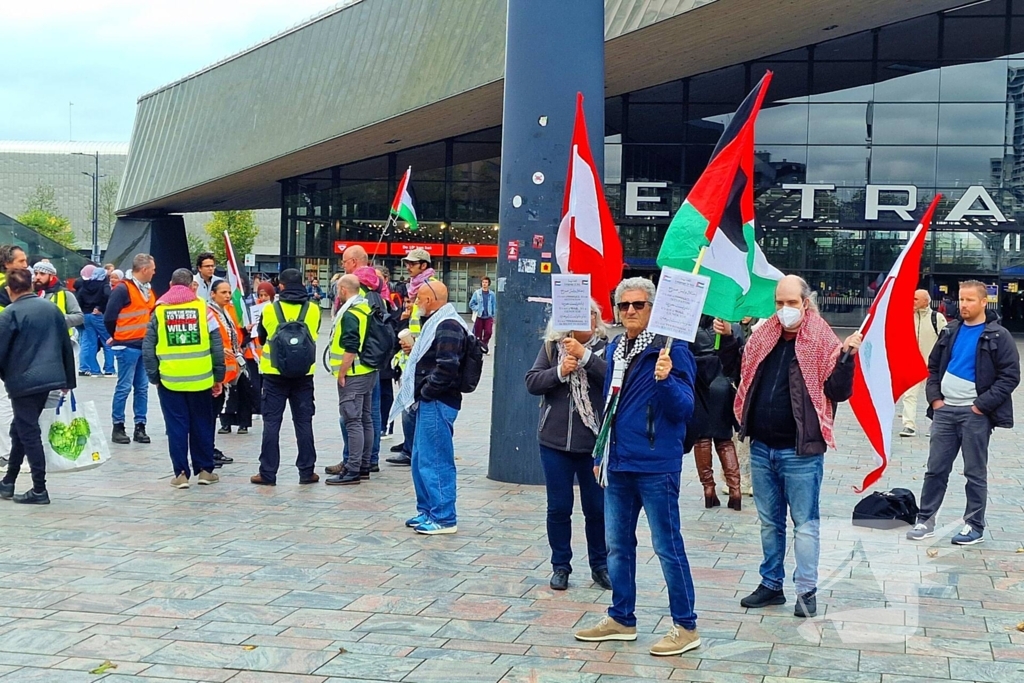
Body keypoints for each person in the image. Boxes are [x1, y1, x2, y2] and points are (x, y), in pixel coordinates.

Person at [574, 277, 702, 658]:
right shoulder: (617, 348)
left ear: (653, 308)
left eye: (639, 305)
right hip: (618, 461)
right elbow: (611, 405)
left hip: (655, 464)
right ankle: (621, 617)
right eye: (624, 305)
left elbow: (684, 409)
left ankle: (686, 625)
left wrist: (665, 381)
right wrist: (601, 453)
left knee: (667, 547)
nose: (630, 311)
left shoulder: (672, 350)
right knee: (617, 546)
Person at [734, 275, 861, 619]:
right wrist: (728, 338)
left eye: (791, 303)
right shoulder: (764, 337)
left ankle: (806, 591)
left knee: (804, 524)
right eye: (779, 303)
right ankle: (771, 585)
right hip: (762, 447)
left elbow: (837, 392)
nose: (785, 310)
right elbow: (743, 373)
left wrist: (847, 358)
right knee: (768, 522)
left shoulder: (822, 341)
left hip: (800, 451)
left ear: (806, 303)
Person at [907, 280, 1020, 546]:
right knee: (935, 469)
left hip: (975, 414)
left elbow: (1009, 376)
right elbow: (932, 367)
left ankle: (973, 525)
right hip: (945, 412)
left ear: (984, 302)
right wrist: (935, 400)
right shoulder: (950, 331)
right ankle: (926, 520)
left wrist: (981, 405)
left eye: (970, 300)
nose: (964, 304)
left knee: (974, 472)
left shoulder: (998, 335)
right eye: (961, 299)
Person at [525, 300, 611, 592]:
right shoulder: (552, 347)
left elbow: (615, 380)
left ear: (596, 318)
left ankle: (600, 565)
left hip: (594, 443)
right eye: (574, 312)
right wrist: (560, 371)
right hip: (555, 441)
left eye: (588, 313)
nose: (582, 318)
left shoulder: (607, 347)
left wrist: (586, 357)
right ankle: (560, 565)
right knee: (559, 508)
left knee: (596, 509)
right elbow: (533, 382)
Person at [388, 281, 467, 535]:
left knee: (435, 459)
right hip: (428, 401)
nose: (414, 304)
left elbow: (447, 366)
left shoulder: (449, 325)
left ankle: (444, 517)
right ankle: (427, 510)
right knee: (421, 458)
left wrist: (427, 392)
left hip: (438, 401)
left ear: (431, 300)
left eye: (418, 299)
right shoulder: (436, 323)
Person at [142, 269, 225, 488]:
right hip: (201, 379)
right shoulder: (204, 310)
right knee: (202, 425)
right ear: (191, 286)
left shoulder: (159, 312)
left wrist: (154, 376)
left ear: (170, 284)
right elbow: (217, 345)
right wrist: (219, 376)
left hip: (170, 380)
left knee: (176, 427)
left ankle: (180, 475)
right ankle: (206, 471)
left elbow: (148, 347)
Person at [0, 268, 77, 504]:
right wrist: (68, 380)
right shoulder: (52, 309)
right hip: (49, 379)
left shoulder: (10, 314)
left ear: (9, 290)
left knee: (29, 432)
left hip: (23, 381)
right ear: (32, 286)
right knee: (20, 429)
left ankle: (39, 489)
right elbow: (66, 344)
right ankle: (9, 481)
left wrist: (6, 377)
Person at [250, 268, 321, 486]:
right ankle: (307, 471)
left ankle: (268, 473)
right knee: (303, 423)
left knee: (272, 423)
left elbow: (261, 339)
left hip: (274, 375)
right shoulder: (314, 309)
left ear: (281, 286)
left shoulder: (269, 310)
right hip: (303, 376)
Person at [326, 275, 379, 485]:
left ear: (343, 290)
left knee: (352, 421)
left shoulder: (349, 314)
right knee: (366, 419)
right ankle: (364, 465)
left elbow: (351, 346)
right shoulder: (365, 307)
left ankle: (353, 469)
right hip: (368, 371)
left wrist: (341, 372)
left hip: (354, 373)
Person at [687, 315, 744, 511]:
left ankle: (708, 488)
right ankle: (735, 489)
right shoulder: (731, 326)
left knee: (701, 439)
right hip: (723, 384)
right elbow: (739, 359)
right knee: (725, 440)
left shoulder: (690, 327)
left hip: (700, 385)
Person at [105, 254, 157, 446]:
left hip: (143, 345)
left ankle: (140, 426)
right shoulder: (123, 289)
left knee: (142, 388)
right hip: (127, 345)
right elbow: (109, 317)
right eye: (152, 268)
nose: (154, 272)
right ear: (144, 270)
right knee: (124, 387)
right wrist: (118, 336)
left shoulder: (148, 291)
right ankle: (118, 426)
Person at [900, 289, 947, 438]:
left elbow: (946, 340)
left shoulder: (937, 318)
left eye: (915, 299)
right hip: (912, 364)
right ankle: (908, 425)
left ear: (926, 301)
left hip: (932, 366)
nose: (912, 302)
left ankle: (935, 424)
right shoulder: (905, 317)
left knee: (935, 395)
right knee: (909, 395)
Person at [206, 281, 243, 467]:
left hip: (227, 370)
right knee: (210, 413)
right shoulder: (209, 313)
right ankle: (207, 450)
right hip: (216, 370)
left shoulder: (226, 311)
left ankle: (209, 448)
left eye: (229, 292)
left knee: (215, 411)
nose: (228, 295)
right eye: (223, 292)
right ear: (213, 294)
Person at [0, 246, 29, 467]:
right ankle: (8, 451)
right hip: (8, 352)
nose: (25, 265)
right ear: (7, 263)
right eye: (21, 261)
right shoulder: (6, 287)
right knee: (6, 402)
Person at [76, 265, 116, 377]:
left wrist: (84, 310)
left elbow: (79, 299)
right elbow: (108, 296)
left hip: (86, 315)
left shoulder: (85, 285)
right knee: (107, 341)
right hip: (98, 315)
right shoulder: (104, 285)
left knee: (91, 343)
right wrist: (100, 308)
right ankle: (109, 369)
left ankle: (94, 370)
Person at [385, 329, 416, 466]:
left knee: (409, 411)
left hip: (417, 372)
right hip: (408, 368)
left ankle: (409, 451)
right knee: (408, 410)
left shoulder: (431, 316)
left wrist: (415, 346)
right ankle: (409, 444)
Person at [32, 261, 84, 332]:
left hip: (59, 339)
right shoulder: (31, 294)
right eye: (36, 273)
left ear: (51, 276)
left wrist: (57, 319)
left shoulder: (65, 294)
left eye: (42, 274)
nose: (37, 277)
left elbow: (79, 317)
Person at [401, 248, 437, 334]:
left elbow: (432, 314)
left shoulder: (431, 285)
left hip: (424, 338)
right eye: (407, 264)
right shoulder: (413, 284)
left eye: (412, 264)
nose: (408, 267)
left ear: (423, 265)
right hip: (414, 338)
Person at [469, 276, 496, 353]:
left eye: (486, 282)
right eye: (483, 282)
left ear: (489, 284)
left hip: (488, 316)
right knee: (478, 334)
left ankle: (483, 344)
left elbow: (494, 304)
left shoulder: (492, 294)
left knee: (488, 332)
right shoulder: (477, 293)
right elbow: (471, 304)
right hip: (479, 316)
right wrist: (477, 308)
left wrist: (493, 315)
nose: (484, 284)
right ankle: (479, 348)